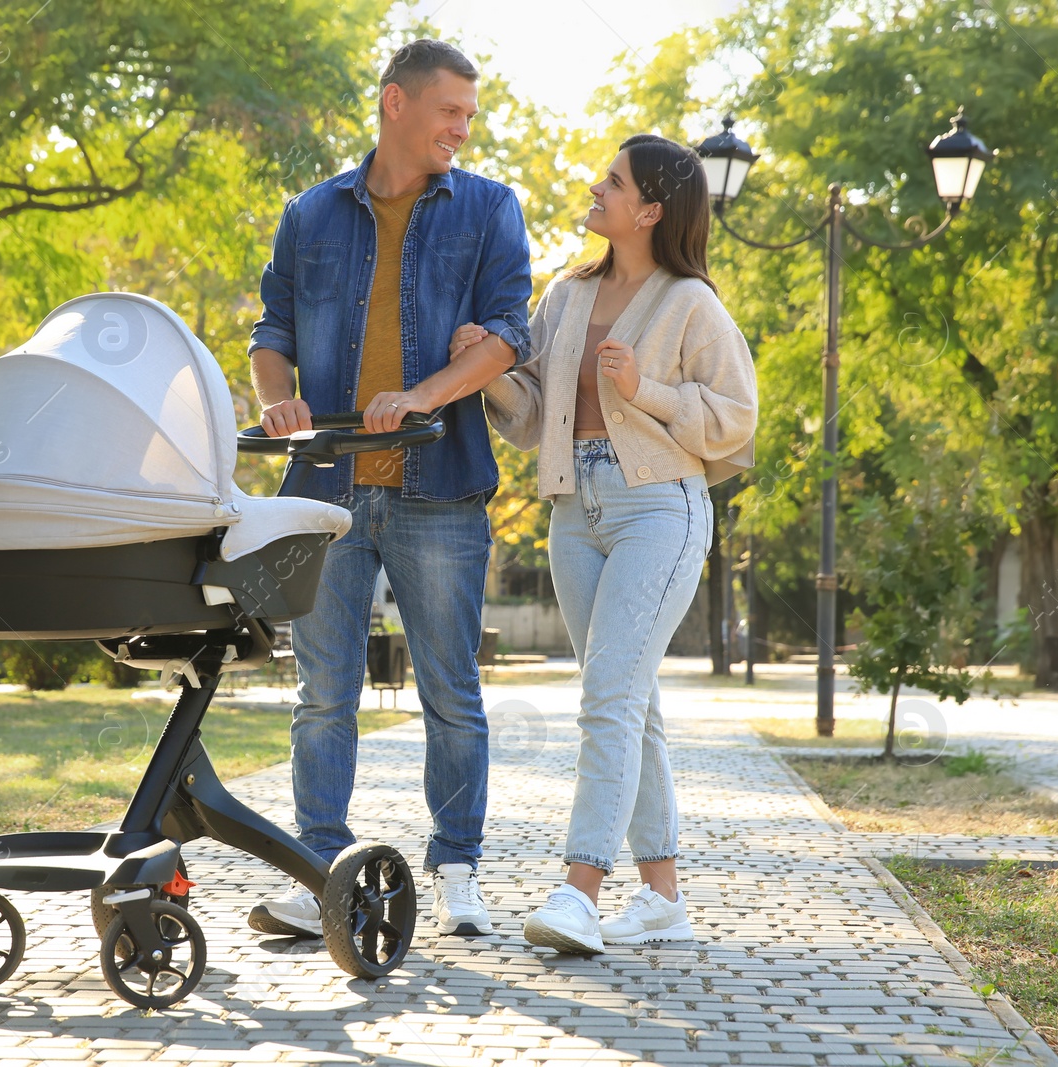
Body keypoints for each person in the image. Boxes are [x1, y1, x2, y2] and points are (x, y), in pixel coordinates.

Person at [246, 38, 533, 938]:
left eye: (470, 116)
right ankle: (317, 870)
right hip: (324, 487)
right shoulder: (310, 213)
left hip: (439, 487)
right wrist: (277, 400)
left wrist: (418, 398)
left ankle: (457, 870)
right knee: (322, 694)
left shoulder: (489, 208)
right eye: (450, 110)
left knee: (451, 691)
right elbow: (271, 328)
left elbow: (507, 336)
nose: (463, 128)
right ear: (394, 103)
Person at [454, 134, 758, 954]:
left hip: (658, 508)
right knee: (631, 700)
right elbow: (529, 418)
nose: (597, 186)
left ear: (651, 210)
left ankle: (578, 890)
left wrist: (643, 388)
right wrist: (486, 373)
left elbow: (735, 418)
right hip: (573, 513)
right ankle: (662, 898)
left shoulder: (693, 302)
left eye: (613, 182)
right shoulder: (567, 295)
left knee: (607, 699)